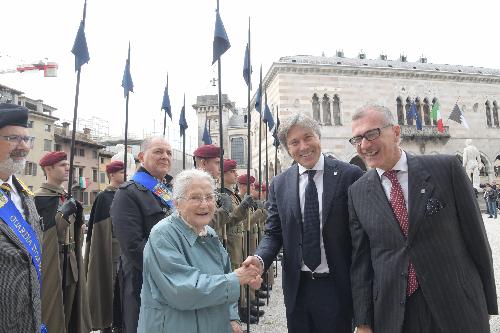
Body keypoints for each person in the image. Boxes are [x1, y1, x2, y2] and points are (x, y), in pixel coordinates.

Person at [348, 104, 498, 333]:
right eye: (357, 139)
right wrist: (363, 322)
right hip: (395, 314)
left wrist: (486, 303)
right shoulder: (357, 192)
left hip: (456, 306)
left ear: (396, 133)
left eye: (371, 134)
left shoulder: (445, 169)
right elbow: (361, 263)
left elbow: (477, 239)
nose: (364, 145)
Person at [243, 113, 363, 333]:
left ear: (318, 136)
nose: (303, 146)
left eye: (308, 138)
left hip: (336, 287)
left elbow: (361, 236)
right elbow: (273, 233)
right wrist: (260, 259)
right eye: (294, 142)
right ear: (287, 148)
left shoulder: (349, 175)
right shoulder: (280, 183)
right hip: (298, 288)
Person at [137, 169, 262, 333]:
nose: (204, 204)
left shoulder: (208, 233)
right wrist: (236, 279)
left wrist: (232, 317)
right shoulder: (163, 235)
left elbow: (225, 274)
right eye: (195, 198)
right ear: (177, 203)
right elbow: (182, 290)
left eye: (209, 197)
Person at [110, 137, 175, 333]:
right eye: (158, 151)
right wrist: (170, 268)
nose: (164, 156)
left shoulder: (168, 191)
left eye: (168, 153)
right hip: (144, 281)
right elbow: (133, 247)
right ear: (141, 157)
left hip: (173, 277)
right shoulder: (128, 193)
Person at [35, 151, 91, 333]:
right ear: (48, 169)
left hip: (71, 264)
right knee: (53, 315)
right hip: (53, 263)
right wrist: (62, 215)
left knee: (69, 314)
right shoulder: (39, 199)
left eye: (68, 165)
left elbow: (76, 232)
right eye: (62, 165)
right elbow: (43, 235)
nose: (68, 168)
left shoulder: (66, 197)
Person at [0, 103, 44, 332]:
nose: (23, 147)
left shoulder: (24, 194)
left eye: (27, 140)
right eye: (14, 138)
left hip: (28, 318)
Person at [84, 161, 125, 332]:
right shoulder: (103, 197)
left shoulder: (126, 194)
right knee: (109, 288)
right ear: (112, 175)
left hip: (125, 251)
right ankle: (106, 325)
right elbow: (98, 232)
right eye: (122, 172)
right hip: (110, 252)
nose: (125, 175)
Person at [222, 160, 262, 322]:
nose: (235, 174)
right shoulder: (224, 195)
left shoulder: (233, 196)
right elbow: (230, 220)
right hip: (232, 239)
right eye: (232, 172)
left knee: (244, 269)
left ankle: (246, 305)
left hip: (241, 238)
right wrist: (256, 212)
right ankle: (240, 311)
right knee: (236, 274)